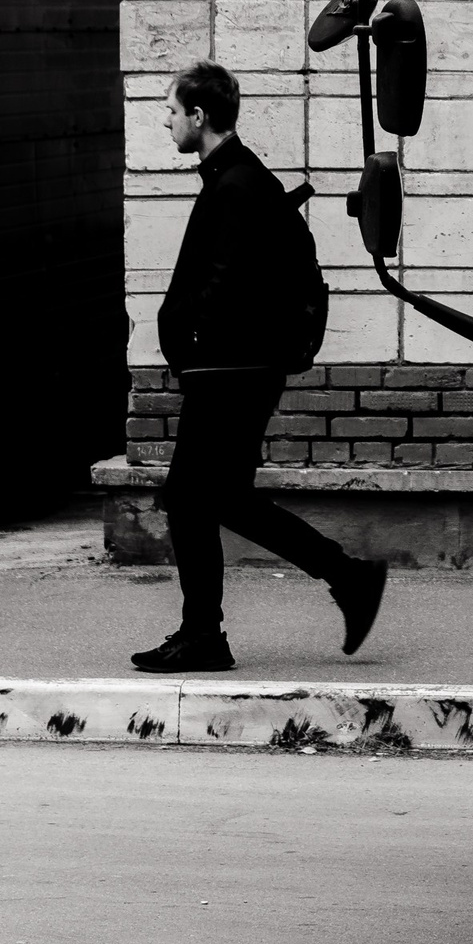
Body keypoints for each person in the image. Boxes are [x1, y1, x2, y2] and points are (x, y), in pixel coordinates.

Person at [131, 60, 385, 674]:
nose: (166, 121)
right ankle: (348, 577)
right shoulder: (233, 179)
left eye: (172, 111)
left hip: (232, 371)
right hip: (236, 368)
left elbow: (221, 283)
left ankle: (204, 636)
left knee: (190, 498)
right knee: (223, 498)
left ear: (200, 116)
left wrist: (189, 346)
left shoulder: (238, 185)